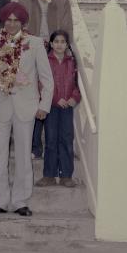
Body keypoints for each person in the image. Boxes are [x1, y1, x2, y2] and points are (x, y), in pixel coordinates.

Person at [0, 3, 53, 217]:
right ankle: (0, 199)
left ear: (22, 22)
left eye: (16, 20)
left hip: (27, 105)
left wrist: (44, 105)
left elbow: (46, 77)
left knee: (24, 153)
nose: (12, 23)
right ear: (4, 21)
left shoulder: (34, 43)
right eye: (8, 20)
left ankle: (20, 200)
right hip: (0, 104)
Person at [19, 0, 73, 158]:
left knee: (49, 94)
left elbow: (67, 27)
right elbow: (20, 26)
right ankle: (34, 146)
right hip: (32, 50)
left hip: (54, 50)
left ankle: (46, 144)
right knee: (33, 95)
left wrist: (63, 47)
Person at [37, 30, 81, 188]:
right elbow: (41, 83)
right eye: (56, 41)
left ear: (67, 44)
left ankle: (66, 175)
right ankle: (48, 175)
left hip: (67, 108)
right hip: (51, 107)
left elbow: (77, 84)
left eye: (63, 41)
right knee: (50, 140)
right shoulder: (46, 61)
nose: (59, 44)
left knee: (66, 140)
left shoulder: (72, 62)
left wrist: (73, 98)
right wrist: (56, 99)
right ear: (51, 43)